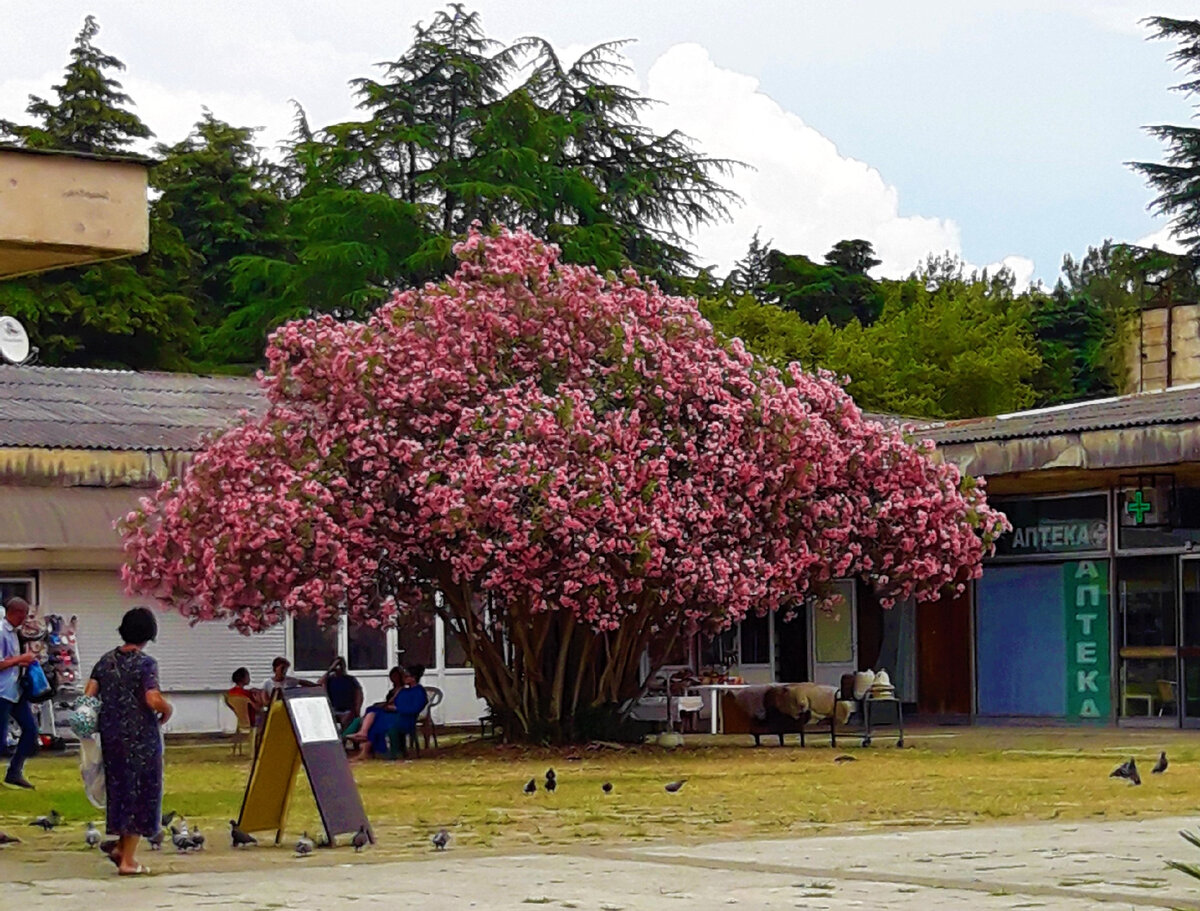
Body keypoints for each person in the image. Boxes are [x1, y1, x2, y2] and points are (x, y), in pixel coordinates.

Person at [83, 607, 172, 876]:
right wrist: (167, 710)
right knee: (141, 793)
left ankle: (122, 848)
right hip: (141, 738)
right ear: (148, 634)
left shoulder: (105, 661)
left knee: (120, 792)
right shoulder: (146, 663)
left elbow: (88, 695)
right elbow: (151, 699)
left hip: (111, 737)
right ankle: (128, 862)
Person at [0, 597, 39, 789]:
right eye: (24, 614)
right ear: (16, 612)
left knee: (30, 730)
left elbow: (11, 661)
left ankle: (14, 771)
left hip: (15, 690)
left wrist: (26, 662)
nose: (25, 619)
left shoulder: (15, 633)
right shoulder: (1, 632)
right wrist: (19, 659)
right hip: (2, 690)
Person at [354, 665, 428, 761]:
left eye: (406, 676)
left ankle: (365, 742)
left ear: (413, 678)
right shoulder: (404, 691)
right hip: (396, 715)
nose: (403, 678)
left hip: (406, 718)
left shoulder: (419, 692)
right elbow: (394, 701)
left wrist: (397, 708)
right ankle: (365, 744)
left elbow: (415, 708)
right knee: (374, 712)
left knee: (377, 720)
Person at [342, 666, 402, 743]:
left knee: (372, 711)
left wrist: (386, 704)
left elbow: (393, 701)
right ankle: (345, 736)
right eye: (392, 676)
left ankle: (362, 730)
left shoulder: (402, 690)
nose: (393, 678)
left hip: (392, 712)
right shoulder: (392, 690)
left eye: (395, 676)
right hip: (386, 708)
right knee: (365, 713)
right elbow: (387, 701)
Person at [324, 657, 363, 730]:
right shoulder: (329, 680)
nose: (338, 667)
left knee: (346, 724)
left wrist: (357, 709)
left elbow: (359, 693)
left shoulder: (350, 679)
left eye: (340, 665)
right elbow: (319, 683)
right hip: (333, 709)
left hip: (347, 710)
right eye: (336, 665)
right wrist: (330, 670)